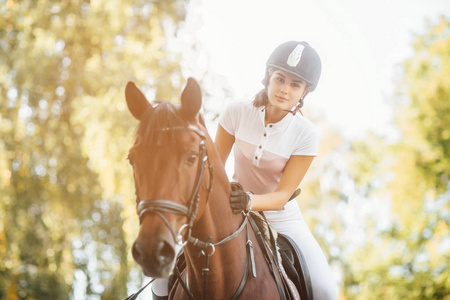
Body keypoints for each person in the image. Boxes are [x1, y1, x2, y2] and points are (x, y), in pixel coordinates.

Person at [215, 41, 338, 299]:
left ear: (305, 91)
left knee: (326, 290)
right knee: (164, 264)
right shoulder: (236, 111)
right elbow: (215, 167)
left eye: (295, 85)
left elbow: (283, 196)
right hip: (231, 206)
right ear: (269, 74)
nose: (284, 89)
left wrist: (248, 200)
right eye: (280, 79)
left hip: (282, 219)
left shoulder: (306, 134)